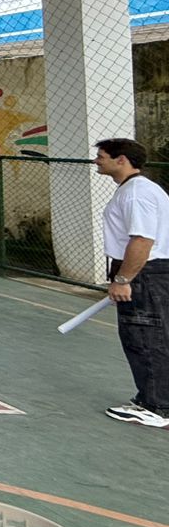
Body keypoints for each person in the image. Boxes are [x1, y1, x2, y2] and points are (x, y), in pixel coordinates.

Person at [95, 138, 169, 428]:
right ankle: (153, 399)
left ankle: (158, 406)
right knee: (150, 336)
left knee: (145, 338)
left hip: (145, 274)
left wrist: (124, 279)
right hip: (150, 273)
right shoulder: (137, 189)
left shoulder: (136, 193)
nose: (97, 161)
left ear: (121, 159)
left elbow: (141, 240)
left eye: (102, 156)